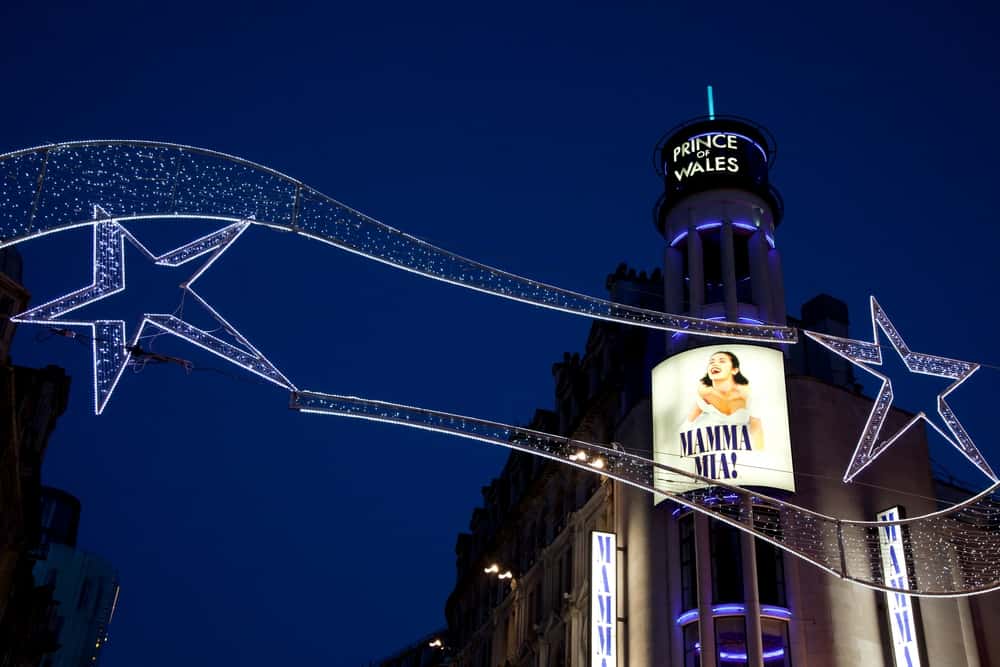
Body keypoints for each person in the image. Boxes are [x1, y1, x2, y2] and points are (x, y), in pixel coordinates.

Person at [683, 350, 764, 450]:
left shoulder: (746, 393)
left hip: (744, 446)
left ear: (734, 370)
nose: (715, 364)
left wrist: (759, 453)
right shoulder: (704, 394)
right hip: (715, 446)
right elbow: (687, 424)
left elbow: (757, 426)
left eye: (722, 361)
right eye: (711, 362)